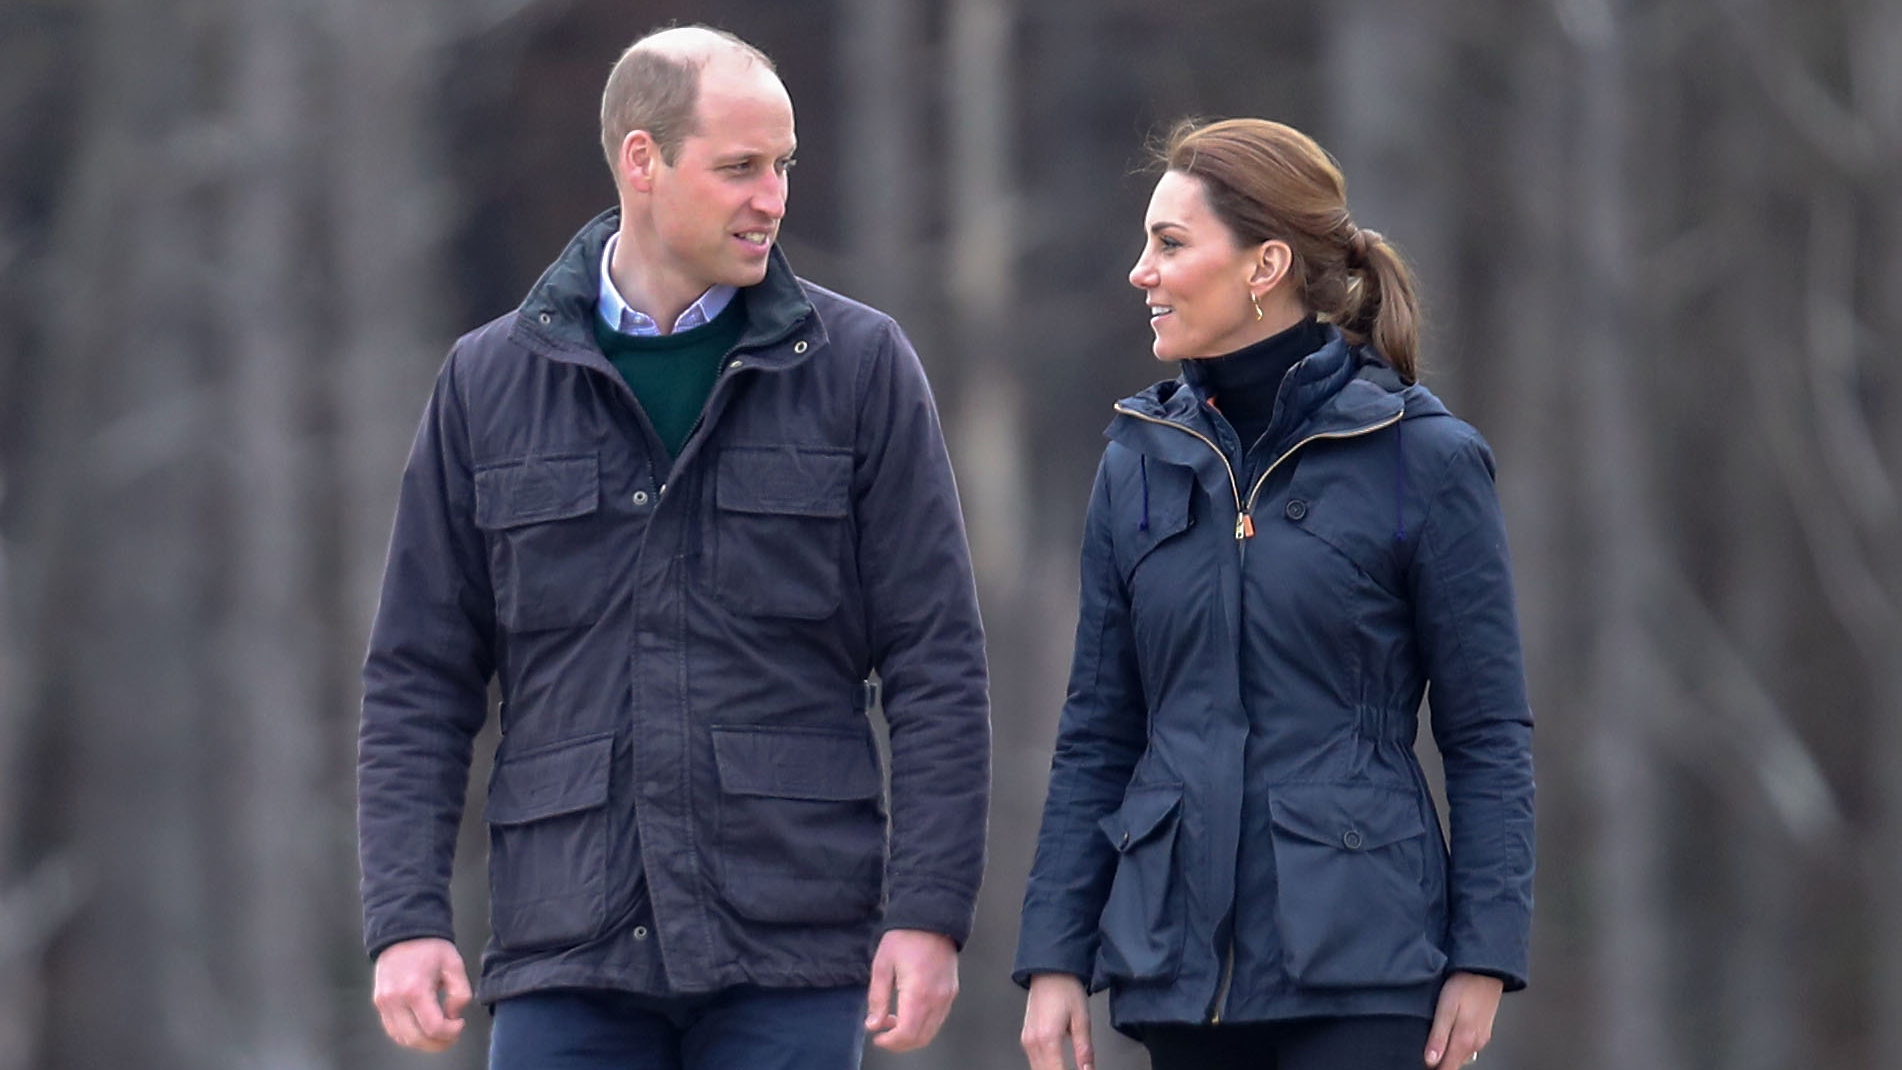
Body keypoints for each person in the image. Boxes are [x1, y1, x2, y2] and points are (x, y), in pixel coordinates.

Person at [356, 25, 990, 1070]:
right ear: (641, 161)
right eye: (741, 167)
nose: (773, 197)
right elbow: (419, 677)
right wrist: (405, 914)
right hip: (567, 948)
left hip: (791, 948)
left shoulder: (862, 368)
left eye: (784, 165)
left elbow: (937, 663)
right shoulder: (488, 383)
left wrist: (928, 910)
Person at [1013, 118, 1534, 1070]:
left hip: (1366, 972)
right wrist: (1054, 956)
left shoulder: (1426, 459)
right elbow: (1098, 732)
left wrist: (1485, 957)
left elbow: (1488, 732)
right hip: (1177, 971)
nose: (1142, 271)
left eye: (1170, 245)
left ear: (1265, 266)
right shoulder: (1135, 461)